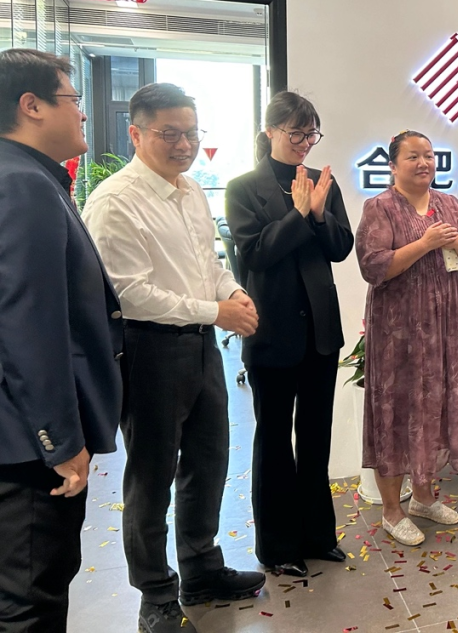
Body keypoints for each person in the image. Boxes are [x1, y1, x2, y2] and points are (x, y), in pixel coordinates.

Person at [83, 83, 264, 633]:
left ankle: (202, 568)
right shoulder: (115, 200)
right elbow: (129, 292)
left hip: (201, 345)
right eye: (170, 133)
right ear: (136, 134)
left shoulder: (191, 191)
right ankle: (155, 594)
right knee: (151, 473)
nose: (184, 144)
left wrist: (233, 293)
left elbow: (209, 262)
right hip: (149, 349)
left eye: (191, 133)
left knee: (208, 462)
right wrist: (216, 311)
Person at [0, 49, 123, 632]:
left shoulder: (29, 177)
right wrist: (59, 438)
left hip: (22, 433)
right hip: (25, 443)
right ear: (32, 106)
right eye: (73, 99)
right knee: (32, 598)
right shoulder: (22, 185)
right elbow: (29, 324)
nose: (82, 113)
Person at [225, 92, 353, 576]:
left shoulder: (322, 183)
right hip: (271, 330)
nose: (304, 142)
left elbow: (341, 247)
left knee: (316, 436)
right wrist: (298, 215)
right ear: (270, 132)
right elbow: (255, 254)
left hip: (320, 331)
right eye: (296, 132)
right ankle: (277, 548)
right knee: (275, 440)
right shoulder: (243, 187)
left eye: (311, 133)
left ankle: (318, 536)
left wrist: (318, 214)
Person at [357, 130, 458, 546]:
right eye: (413, 156)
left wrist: (457, 241)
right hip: (398, 331)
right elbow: (374, 267)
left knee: (435, 406)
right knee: (395, 412)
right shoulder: (380, 207)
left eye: (429, 155)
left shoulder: (449, 204)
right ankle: (392, 510)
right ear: (393, 165)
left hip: (445, 323)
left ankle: (424, 498)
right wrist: (425, 243)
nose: (424, 163)